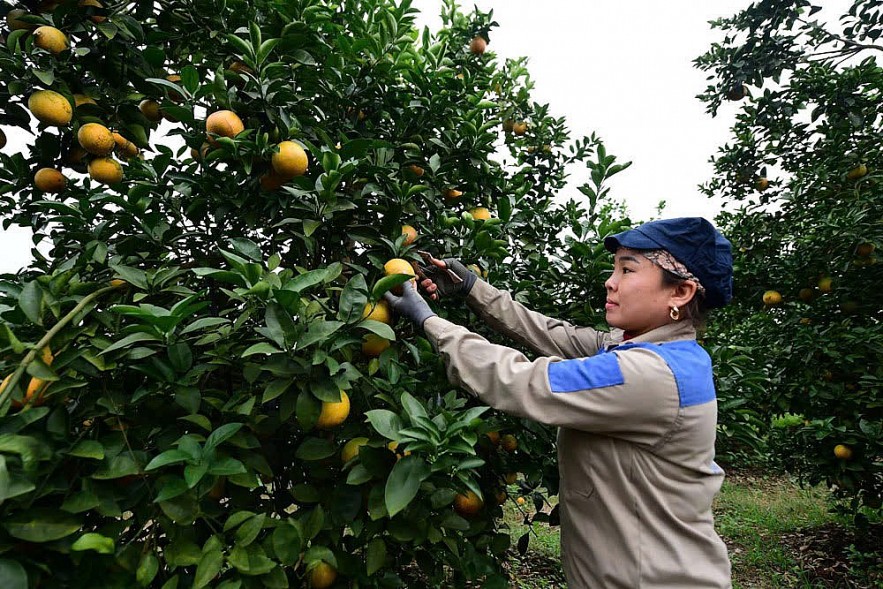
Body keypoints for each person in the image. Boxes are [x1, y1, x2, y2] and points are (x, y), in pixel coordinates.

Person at [384, 217, 734, 588]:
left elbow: (522, 381)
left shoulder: (647, 375)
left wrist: (428, 321)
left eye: (628, 270)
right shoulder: (656, 350)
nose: (610, 281)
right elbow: (552, 334)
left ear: (680, 293)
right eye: (614, 268)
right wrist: (472, 287)